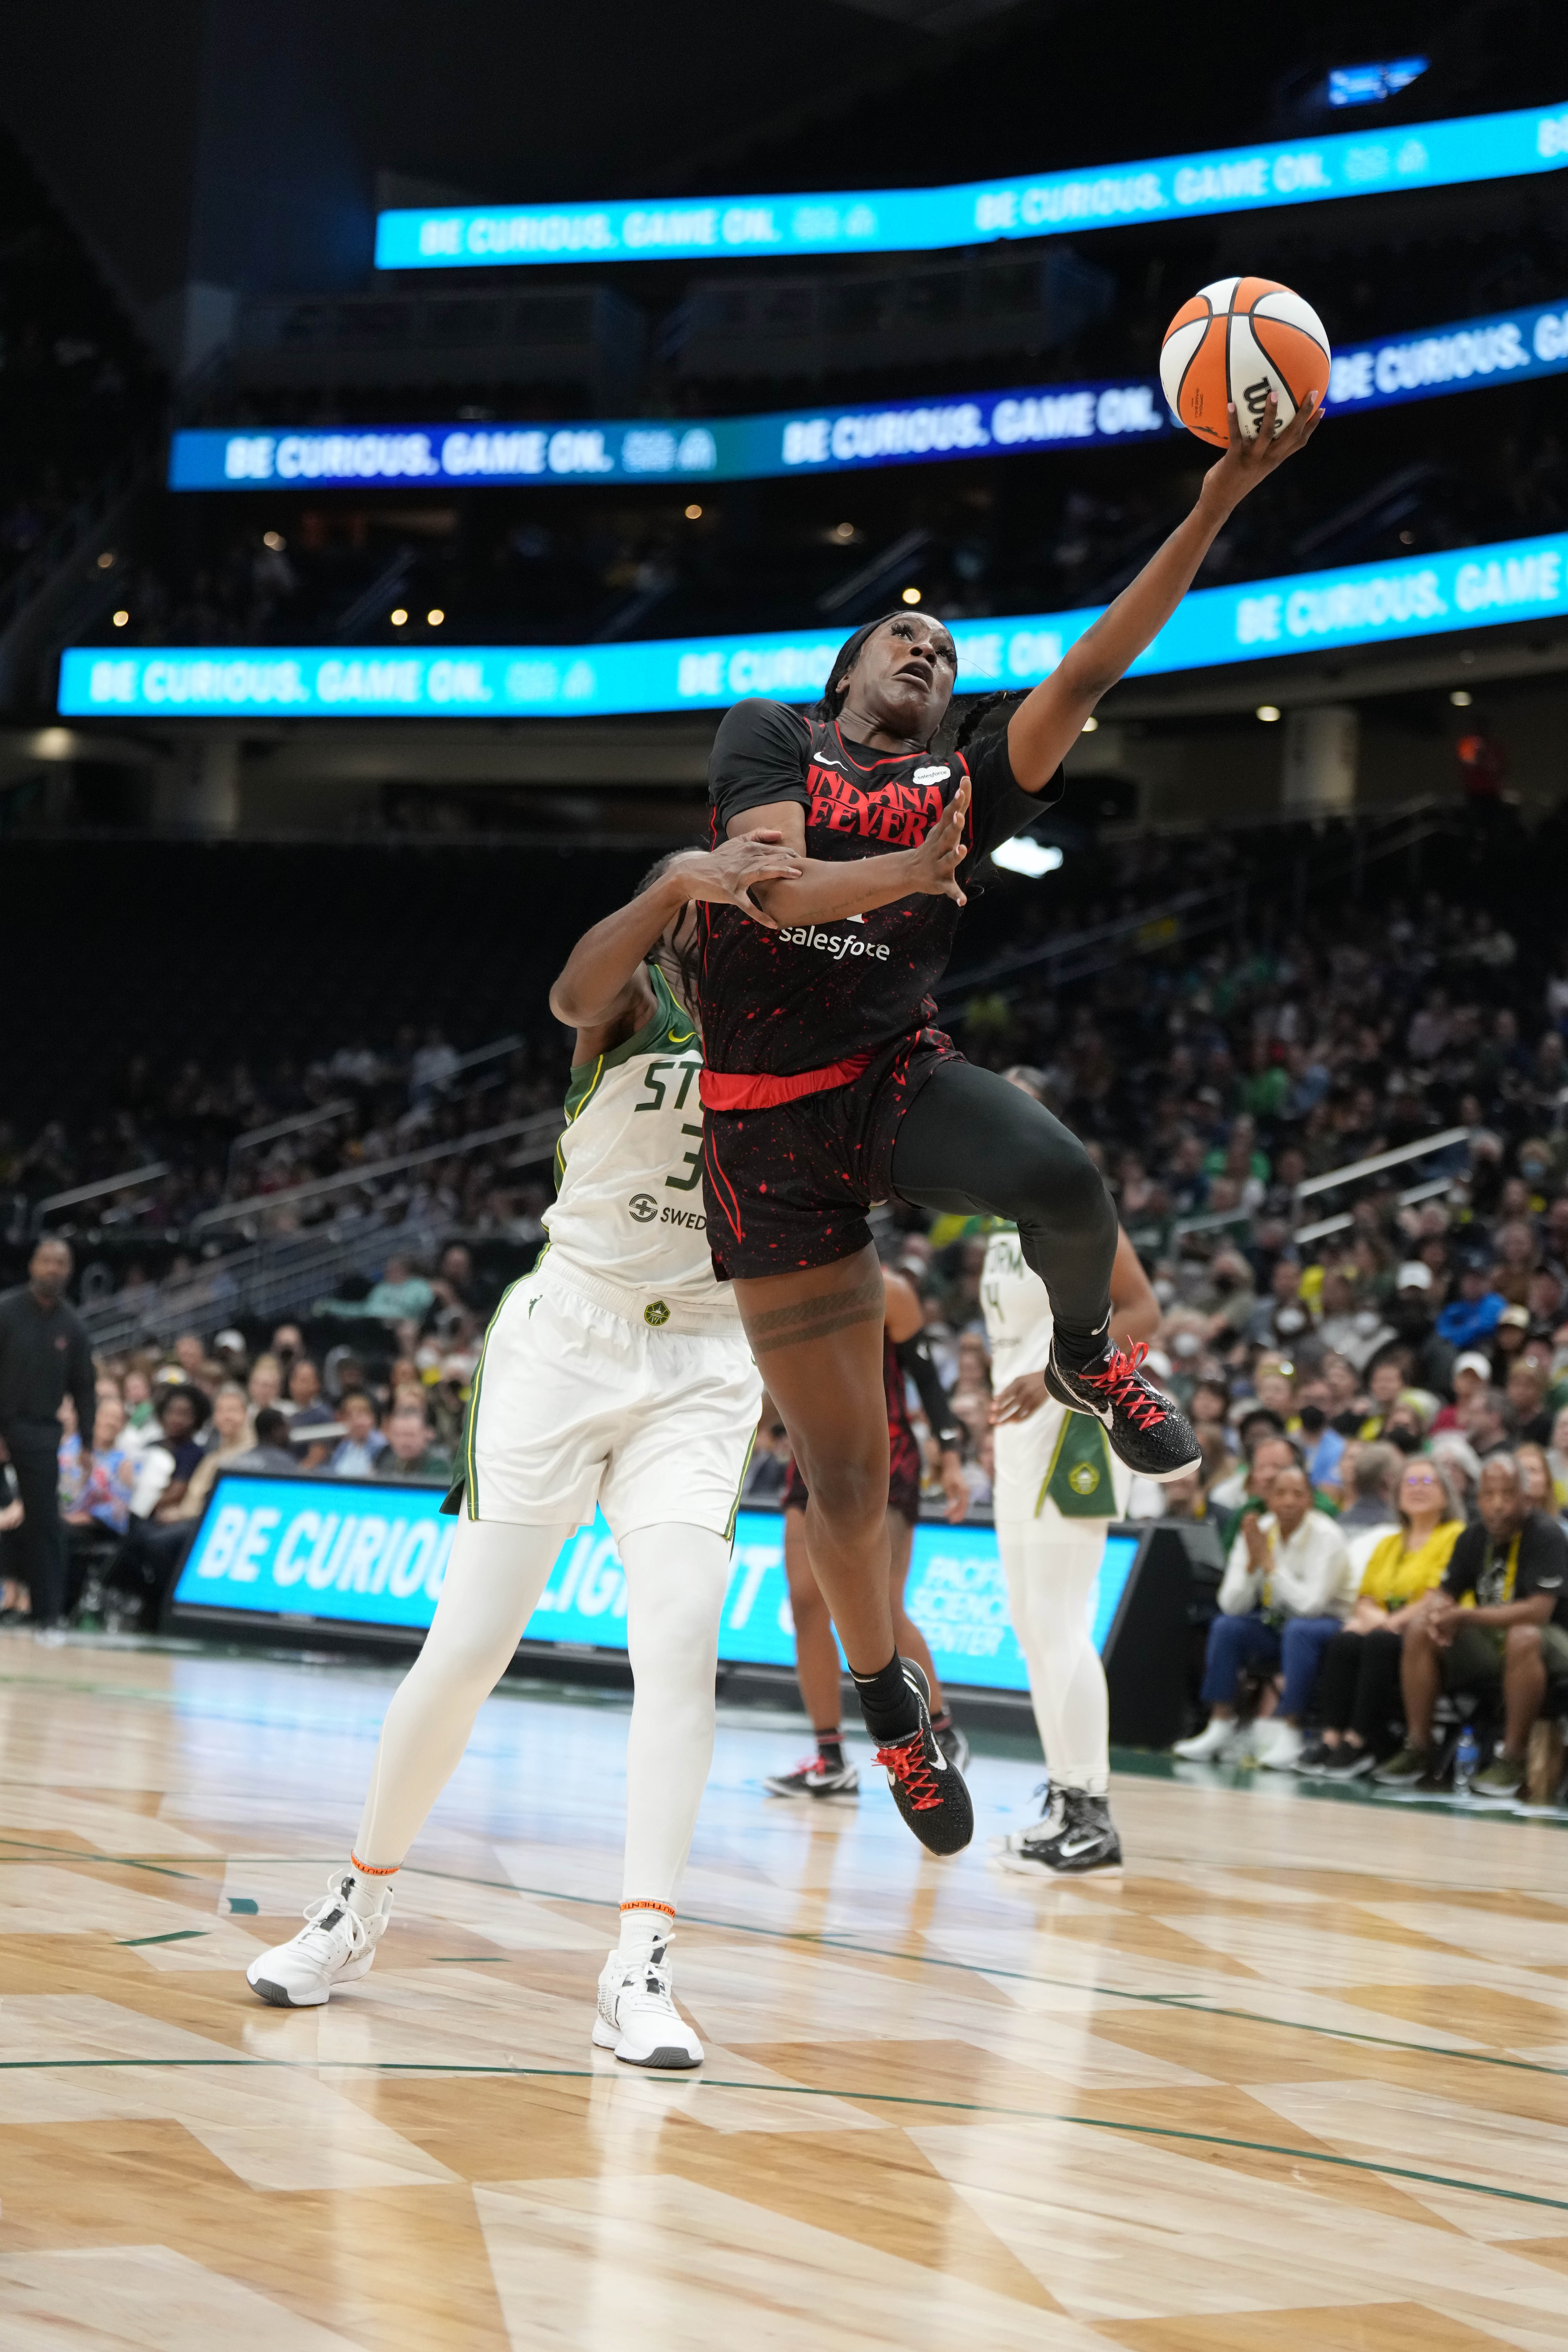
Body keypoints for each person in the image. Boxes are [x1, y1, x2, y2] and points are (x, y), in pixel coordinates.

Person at [696, 391, 1321, 1843]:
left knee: (1061, 1173)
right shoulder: (771, 738)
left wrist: (1221, 495)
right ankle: (896, 1712)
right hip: (763, 1132)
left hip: (888, 1079)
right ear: (850, 668)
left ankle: (1098, 1357)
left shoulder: (965, 771)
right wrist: (907, 878)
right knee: (844, 1480)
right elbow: (772, 890)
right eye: (905, 638)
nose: (929, 652)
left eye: (951, 651)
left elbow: (1103, 652)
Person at [245, 828, 795, 2070]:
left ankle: (640, 1960)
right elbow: (567, 993)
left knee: (678, 1643)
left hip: (705, 1360)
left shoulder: (798, 1018)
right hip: (568, 1338)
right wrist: (666, 885)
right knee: (470, 1646)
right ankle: (355, 1905)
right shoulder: (632, 996)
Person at [981, 1158, 1162, 1874]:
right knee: (1030, 1625)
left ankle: (1093, 1814)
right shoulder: (995, 1222)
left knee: (1058, 1620)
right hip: (1016, 1434)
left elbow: (1144, 1310)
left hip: (1074, 1427)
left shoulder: (1074, 1207)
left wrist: (1054, 1378)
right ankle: (1065, 1804)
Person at [763, 1264, 969, 1803]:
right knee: (806, 1604)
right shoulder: (782, 1282)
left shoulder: (891, 1289)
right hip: (811, 1451)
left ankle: (943, 1733)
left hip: (883, 1452)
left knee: (881, 1605)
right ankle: (830, 1758)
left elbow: (927, 1382)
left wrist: (950, 1457)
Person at [1373, 1454, 1568, 1799]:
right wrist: (1436, 1614)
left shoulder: (1547, 1535)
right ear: (1477, 1500)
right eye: (1488, 1495)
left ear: (1526, 1497)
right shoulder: (1472, 1537)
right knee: (1419, 1629)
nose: (1497, 1505)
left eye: (1507, 1495)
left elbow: (1538, 1612)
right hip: (1491, 1640)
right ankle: (1418, 1746)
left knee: (1523, 1636)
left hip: (1551, 1640)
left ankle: (1512, 1757)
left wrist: (1464, 1616)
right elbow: (1445, 1594)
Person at [1173, 1464, 1352, 1769]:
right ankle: (1219, 1725)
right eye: (1279, 1493)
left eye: (1297, 1494)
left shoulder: (1327, 1536)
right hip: (1279, 1623)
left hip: (1331, 1626)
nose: (1288, 1501)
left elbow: (1310, 1607)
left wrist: (1269, 1566)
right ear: (1267, 1499)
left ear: (1310, 1501)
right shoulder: (1257, 1532)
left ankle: (1290, 1732)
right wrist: (1250, 1568)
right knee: (1226, 1627)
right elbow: (1231, 1605)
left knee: (1299, 1630)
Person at [1300, 1458, 1465, 1776]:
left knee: (1378, 1640)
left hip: (1432, 1631)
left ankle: (1361, 1739)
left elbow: (1440, 1594)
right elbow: (1364, 1596)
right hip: (1386, 1627)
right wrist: (1374, 1616)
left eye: (1427, 1483)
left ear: (1446, 1495)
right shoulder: (1388, 1541)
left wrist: (1392, 1622)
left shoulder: (1454, 1536)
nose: (1417, 1490)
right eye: (1409, 1484)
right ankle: (1332, 1736)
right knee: (1345, 1640)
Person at [0, 1238, 97, 1641]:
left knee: (46, 1526)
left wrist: (88, 1443)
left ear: (69, 1271)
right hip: (2, 1424)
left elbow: (85, 1388)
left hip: (41, 1432)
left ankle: (49, 1616)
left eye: (61, 1263)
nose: (53, 1269)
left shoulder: (73, 1325)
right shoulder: (6, 1311)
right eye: (47, 1261)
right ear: (33, 1266)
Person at [373, 1399, 453, 1483]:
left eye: (411, 1435)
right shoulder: (387, 1461)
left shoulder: (438, 1465)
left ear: (425, 1435)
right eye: (399, 1435)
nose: (405, 1442)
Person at [327, 1392, 389, 1479]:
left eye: (361, 1416)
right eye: (351, 1417)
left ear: (372, 1418)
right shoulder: (344, 1446)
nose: (357, 1422)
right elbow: (331, 1473)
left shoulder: (382, 1446)